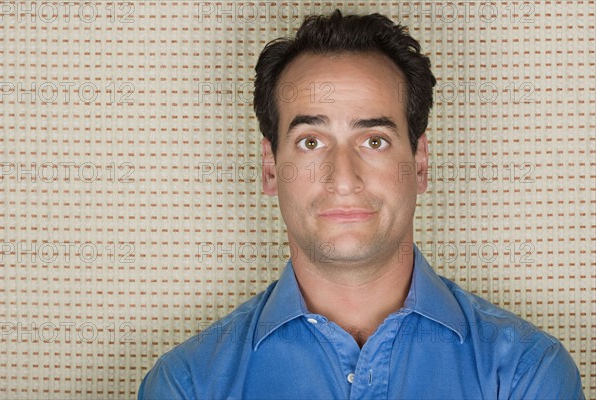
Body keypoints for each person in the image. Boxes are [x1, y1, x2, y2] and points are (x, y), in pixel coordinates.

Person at [139, 10, 584, 399]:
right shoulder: (188, 385)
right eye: (311, 141)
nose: (344, 178)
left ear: (421, 164)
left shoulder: (528, 373)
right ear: (271, 168)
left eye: (374, 140)